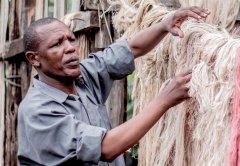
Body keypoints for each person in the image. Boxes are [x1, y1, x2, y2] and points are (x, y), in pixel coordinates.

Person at [17, 6, 210, 166]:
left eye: (71, 39)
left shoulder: (83, 76)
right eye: (56, 44)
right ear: (34, 59)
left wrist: (164, 25)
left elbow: (131, 48)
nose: (70, 48)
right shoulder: (37, 111)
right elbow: (106, 148)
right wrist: (164, 100)